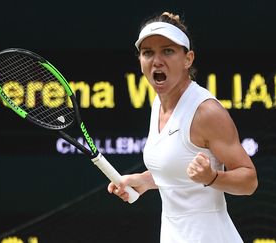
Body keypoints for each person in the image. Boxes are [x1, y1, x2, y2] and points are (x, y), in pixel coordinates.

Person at [108, 11, 258, 243]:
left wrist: (212, 177)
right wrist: (143, 181)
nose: (157, 60)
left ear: (188, 59)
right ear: (140, 61)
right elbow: (179, 173)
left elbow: (249, 181)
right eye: (148, 53)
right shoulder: (159, 102)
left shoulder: (206, 112)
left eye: (167, 51)